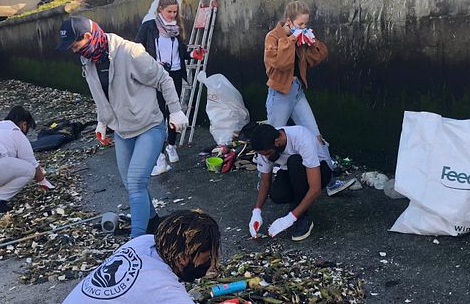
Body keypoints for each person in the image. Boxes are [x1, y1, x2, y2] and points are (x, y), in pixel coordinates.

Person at [57, 16, 188, 238]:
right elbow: (101, 95)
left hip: (149, 126)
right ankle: (152, 222)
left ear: (88, 37)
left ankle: (135, 242)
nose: (73, 50)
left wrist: (175, 111)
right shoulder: (89, 60)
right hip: (122, 130)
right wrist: (102, 121)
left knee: (136, 182)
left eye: (75, 45)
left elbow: (163, 79)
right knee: (129, 183)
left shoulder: (129, 52)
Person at [264, 0, 356, 196]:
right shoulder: (273, 37)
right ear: (289, 22)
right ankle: (263, 182)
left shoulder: (301, 36)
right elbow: (279, 64)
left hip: (297, 92)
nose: (304, 27)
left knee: (316, 136)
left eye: (306, 24)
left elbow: (317, 58)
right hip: (279, 94)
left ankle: (329, 180)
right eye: (301, 24)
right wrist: (291, 40)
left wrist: (311, 41)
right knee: (270, 139)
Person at [63, 209, 220, 303]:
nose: (210, 265)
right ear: (182, 258)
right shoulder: (164, 289)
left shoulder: (142, 242)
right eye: (206, 259)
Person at [248, 123, 340, 242]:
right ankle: (298, 203)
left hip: (320, 171)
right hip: (290, 171)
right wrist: (256, 211)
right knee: (277, 194)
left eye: (268, 154)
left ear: (277, 142)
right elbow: (265, 182)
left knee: (294, 161)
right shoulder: (266, 144)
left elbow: (315, 188)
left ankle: (302, 216)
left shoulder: (301, 138)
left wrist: (291, 217)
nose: (266, 157)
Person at [135, 0, 192, 176]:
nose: (173, 15)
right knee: (159, 114)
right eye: (169, 12)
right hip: (157, 75)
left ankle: (172, 146)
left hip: (175, 73)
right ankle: (159, 157)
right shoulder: (149, 27)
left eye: (175, 12)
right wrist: (153, 62)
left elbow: (181, 51)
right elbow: (137, 49)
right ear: (160, 10)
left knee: (174, 113)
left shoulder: (176, 28)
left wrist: (192, 55)